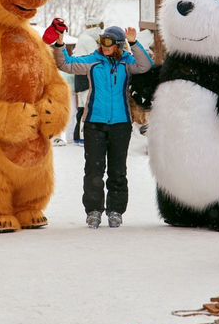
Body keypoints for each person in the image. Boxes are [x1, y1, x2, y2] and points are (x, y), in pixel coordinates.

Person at [52, 24, 152, 228]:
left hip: (120, 125)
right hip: (94, 124)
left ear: (117, 45)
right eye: (101, 42)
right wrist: (60, 45)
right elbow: (67, 65)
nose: (104, 46)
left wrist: (134, 43)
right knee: (94, 171)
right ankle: (94, 210)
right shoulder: (94, 61)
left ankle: (115, 210)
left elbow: (145, 66)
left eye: (108, 43)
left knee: (118, 171)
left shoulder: (127, 62)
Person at [72, 15, 104, 145]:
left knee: (82, 108)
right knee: (87, 108)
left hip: (81, 78)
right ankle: (83, 136)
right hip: (86, 79)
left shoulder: (83, 38)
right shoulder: (88, 40)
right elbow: (98, 57)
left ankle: (78, 135)